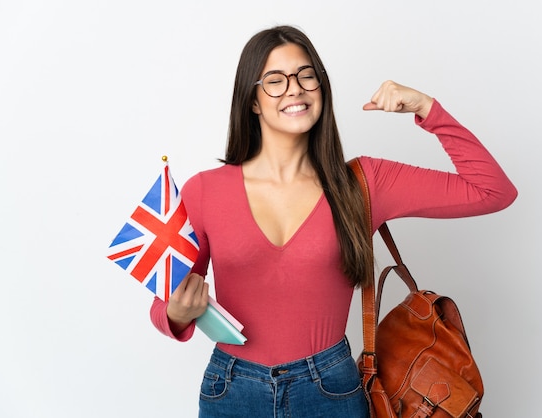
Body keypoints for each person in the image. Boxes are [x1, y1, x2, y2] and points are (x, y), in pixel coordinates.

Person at [150, 25, 517, 418]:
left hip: (329, 390)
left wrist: (427, 108)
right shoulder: (204, 191)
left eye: (306, 75)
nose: (294, 89)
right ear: (252, 101)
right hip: (233, 389)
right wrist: (177, 314)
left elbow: (492, 191)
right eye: (275, 80)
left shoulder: (365, 183)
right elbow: (163, 304)